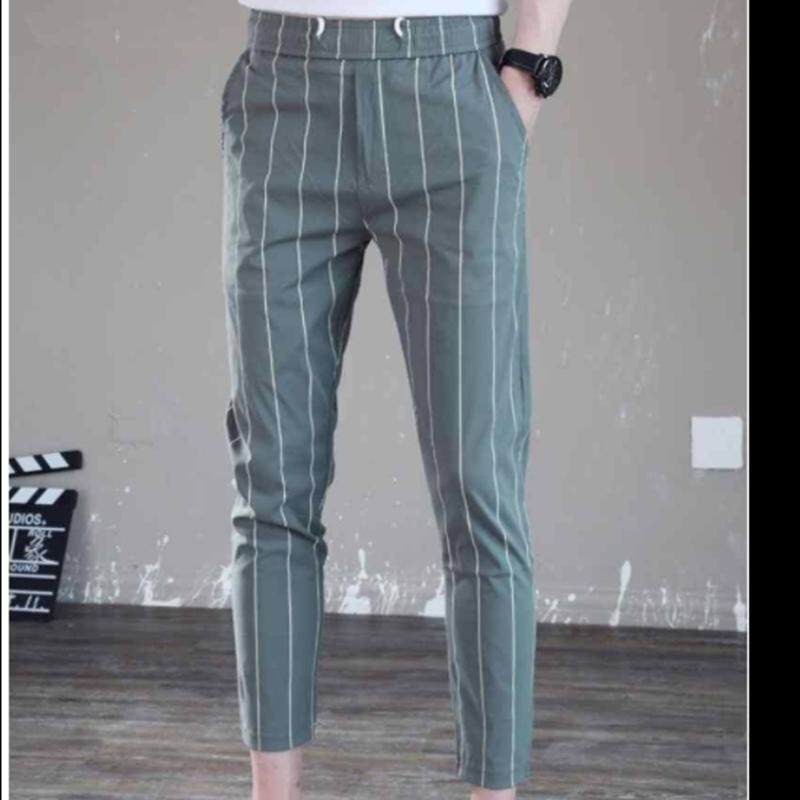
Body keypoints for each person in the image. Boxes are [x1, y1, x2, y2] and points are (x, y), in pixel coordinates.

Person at [220, 1, 572, 797]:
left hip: (449, 90)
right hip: (283, 87)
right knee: (273, 478)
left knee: (480, 483)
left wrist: (526, 77)